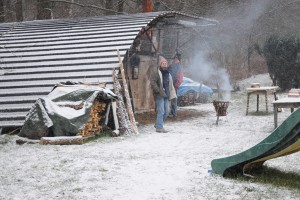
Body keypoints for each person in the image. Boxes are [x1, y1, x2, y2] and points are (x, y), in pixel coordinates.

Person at [151, 56, 176, 133]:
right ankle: (159, 127)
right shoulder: (157, 72)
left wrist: (172, 93)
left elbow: (170, 84)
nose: (164, 64)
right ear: (160, 64)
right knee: (161, 111)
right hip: (159, 95)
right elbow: (153, 82)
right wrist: (158, 90)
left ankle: (158, 123)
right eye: (163, 63)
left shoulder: (168, 74)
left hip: (167, 95)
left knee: (167, 111)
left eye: (165, 63)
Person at [168, 52, 184, 118]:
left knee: (174, 99)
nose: (175, 59)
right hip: (169, 84)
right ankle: (170, 112)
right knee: (169, 99)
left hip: (174, 85)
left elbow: (180, 78)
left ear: (178, 59)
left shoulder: (179, 67)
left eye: (176, 58)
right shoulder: (172, 65)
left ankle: (174, 114)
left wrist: (176, 85)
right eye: (174, 58)